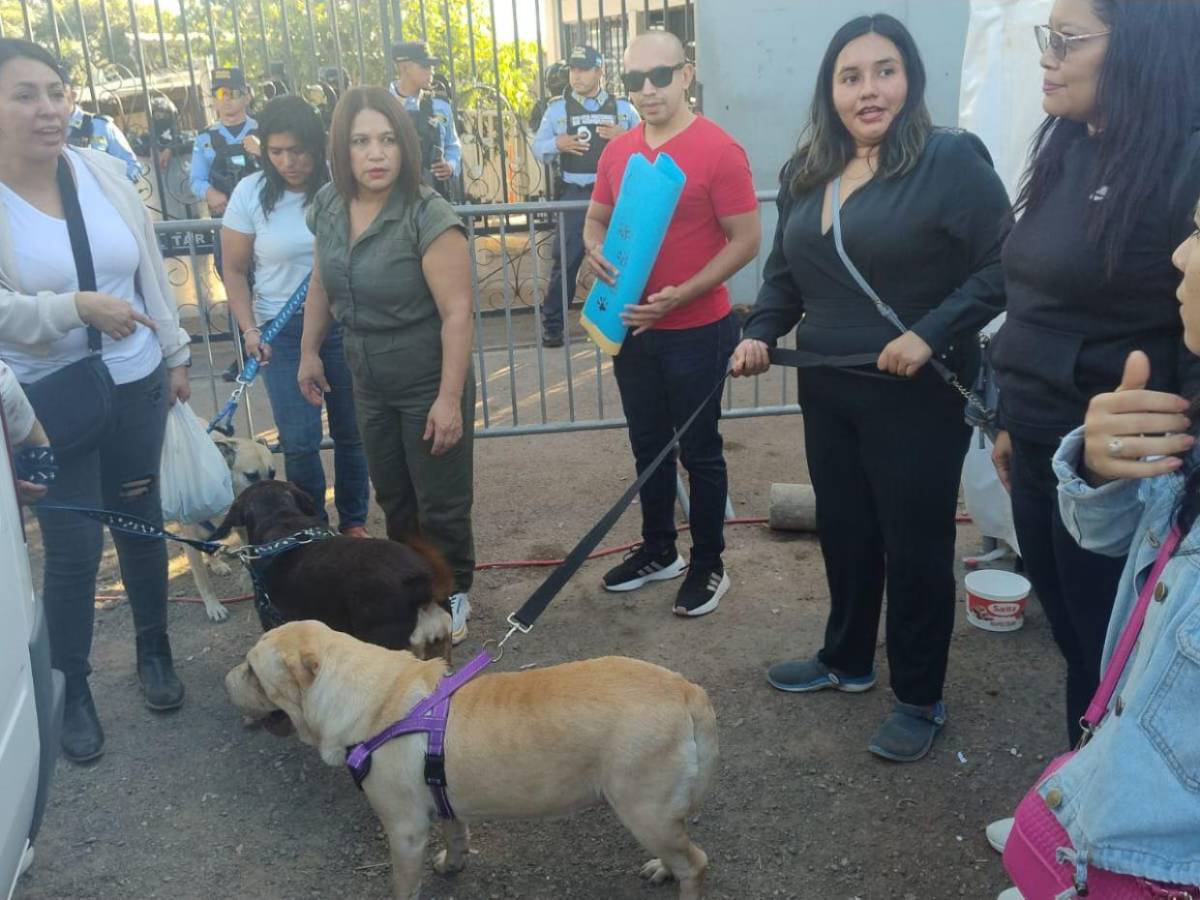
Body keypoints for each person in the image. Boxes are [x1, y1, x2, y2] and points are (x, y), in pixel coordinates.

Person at [731, 13, 1009, 762]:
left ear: (909, 77)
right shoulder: (806, 169)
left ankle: (919, 695)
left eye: (884, 71)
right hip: (828, 386)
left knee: (915, 547)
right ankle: (847, 660)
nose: (868, 89)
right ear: (830, 90)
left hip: (916, 395)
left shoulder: (949, 161)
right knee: (847, 532)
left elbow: (1003, 265)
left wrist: (927, 333)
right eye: (850, 76)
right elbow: (786, 276)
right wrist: (760, 331)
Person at [983, 0, 1200, 864]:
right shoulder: (1067, 144)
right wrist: (1007, 416)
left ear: (1141, 45)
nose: (1048, 55)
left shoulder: (1182, 162)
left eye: (1068, 39)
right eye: (1048, 35)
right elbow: (1030, 302)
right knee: (1080, 645)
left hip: (1128, 476)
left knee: (1124, 667)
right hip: (1043, 445)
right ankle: (1074, 802)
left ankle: (1099, 848)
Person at [0, 39, 192, 763]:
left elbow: (146, 268)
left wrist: (173, 354)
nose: (48, 108)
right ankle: (71, 687)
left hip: (137, 380)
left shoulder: (103, 171)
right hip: (49, 403)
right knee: (74, 550)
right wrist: (73, 308)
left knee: (141, 523)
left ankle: (155, 652)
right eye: (24, 94)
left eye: (56, 90)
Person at [583, 31, 760, 618]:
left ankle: (710, 562)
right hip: (632, 327)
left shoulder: (718, 149)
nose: (648, 90)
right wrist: (591, 250)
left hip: (698, 329)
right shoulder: (618, 151)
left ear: (686, 74)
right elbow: (596, 221)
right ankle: (660, 550)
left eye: (660, 75)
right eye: (635, 80)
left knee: (700, 450)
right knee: (648, 445)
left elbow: (747, 241)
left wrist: (681, 294)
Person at [299, 87, 475, 644]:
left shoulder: (429, 214)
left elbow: (458, 314)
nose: (376, 154)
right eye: (360, 141)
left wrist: (448, 399)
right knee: (394, 496)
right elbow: (322, 282)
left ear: (405, 146)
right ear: (342, 150)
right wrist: (308, 351)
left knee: (439, 500)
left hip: (425, 372)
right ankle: (409, 589)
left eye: (387, 140)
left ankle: (451, 594)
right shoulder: (329, 205)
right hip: (365, 373)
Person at [220, 94, 371, 538]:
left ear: (318, 145)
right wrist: (249, 330)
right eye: (276, 151)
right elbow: (233, 269)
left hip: (342, 325)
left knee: (352, 431)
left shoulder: (340, 189)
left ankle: (354, 522)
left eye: (299, 150)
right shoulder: (250, 193)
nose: (289, 162)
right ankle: (312, 529)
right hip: (280, 332)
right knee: (300, 441)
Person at [532, 45, 639, 348]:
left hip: (617, 197)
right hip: (577, 196)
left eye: (582, 69)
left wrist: (626, 138)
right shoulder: (557, 109)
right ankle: (552, 327)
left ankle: (622, 323)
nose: (575, 76)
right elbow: (537, 147)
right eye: (572, 69)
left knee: (624, 261)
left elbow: (648, 144)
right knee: (565, 262)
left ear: (599, 71)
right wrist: (558, 142)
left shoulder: (622, 109)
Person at [388, 41, 461, 192]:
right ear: (404, 67)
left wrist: (450, 165)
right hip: (393, 197)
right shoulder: (382, 104)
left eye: (432, 67)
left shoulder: (440, 105)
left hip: (435, 196)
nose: (431, 72)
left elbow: (452, 145)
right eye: (425, 66)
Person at [190, 67, 260, 216]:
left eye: (233, 93)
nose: (226, 98)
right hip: (225, 217)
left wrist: (262, 150)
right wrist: (209, 193)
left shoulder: (263, 130)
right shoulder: (204, 138)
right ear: (214, 100)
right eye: (220, 93)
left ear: (246, 97)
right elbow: (196, 179)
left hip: (262, 212)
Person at [60, 60, 140, 182]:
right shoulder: (44, 131)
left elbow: (131, 166)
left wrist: (113, 188)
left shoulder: (99, 126)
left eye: (58, 95)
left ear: (73, 95)